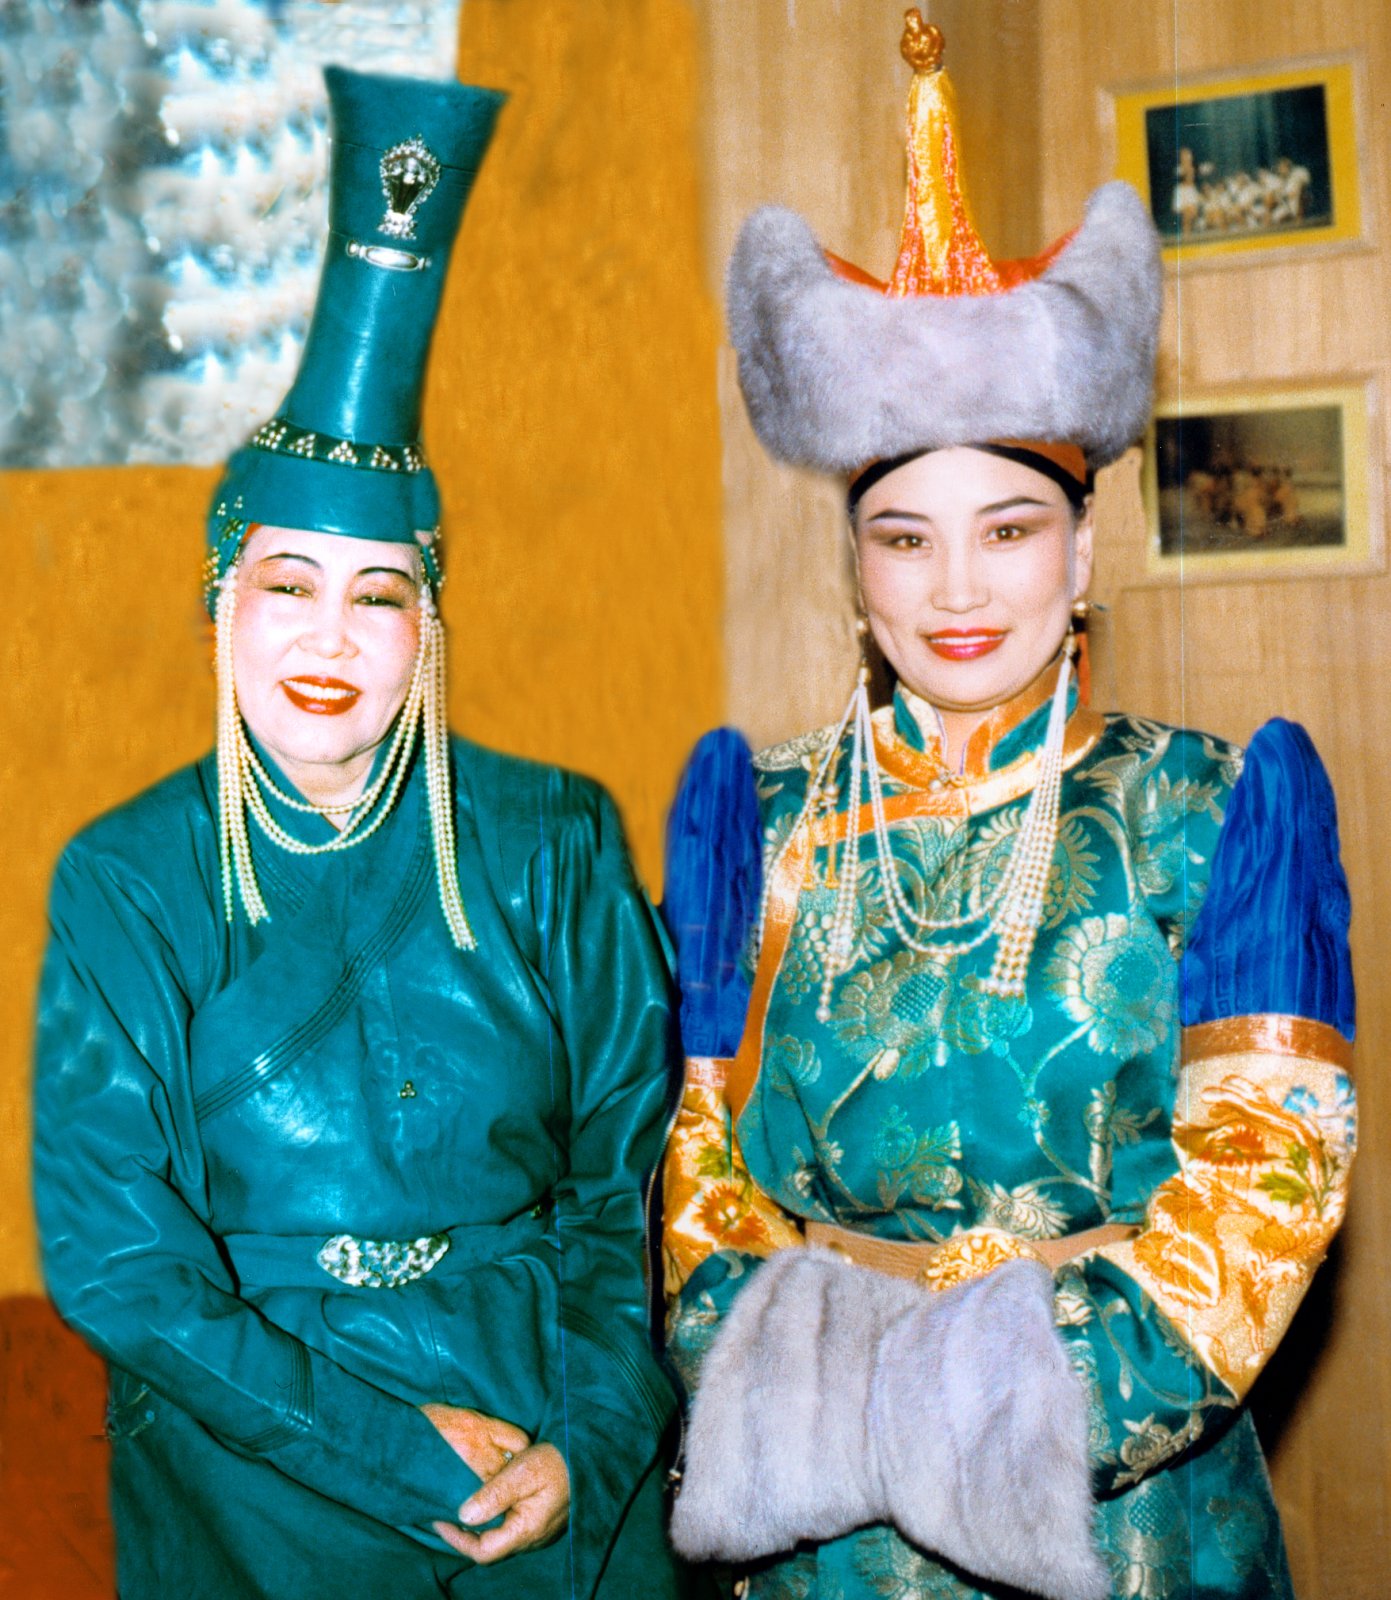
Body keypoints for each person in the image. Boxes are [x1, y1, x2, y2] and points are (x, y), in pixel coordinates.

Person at [659, 16, 1355, 1600]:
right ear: (856, 571)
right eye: (904, 537)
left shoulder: (1216, 812)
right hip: (823, 1527)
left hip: (1125, 1525)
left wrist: (964, 1427)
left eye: (1010, 528)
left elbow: (1266, 1192)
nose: (957, 589)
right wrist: (811, 1424)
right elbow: (700, 1179)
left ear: (1083, 551)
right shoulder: (754, 824)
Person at [34, 66, 683, 1600]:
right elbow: (122, 1264)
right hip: (252, 1458)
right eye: (288, 585)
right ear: (220, 607)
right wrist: (396, 1449)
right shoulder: (127, 878)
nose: (330, 635)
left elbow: (625, 1187)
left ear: (426, 629)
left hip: (546, 1422)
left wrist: (592, 1437)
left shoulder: (554, 840)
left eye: (377, 594)